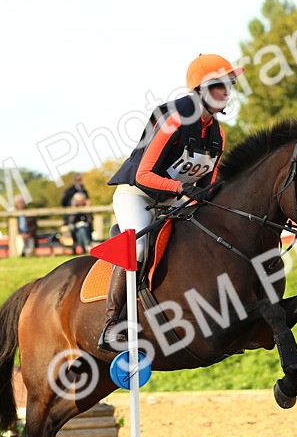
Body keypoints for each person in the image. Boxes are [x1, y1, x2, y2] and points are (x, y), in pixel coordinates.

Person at [98, 53, 242, 350]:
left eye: (229, 85)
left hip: (175, 202)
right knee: (137, 247)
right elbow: (143, 174)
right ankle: (113, 322)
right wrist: (183, 189)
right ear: (200, 90)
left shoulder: (219, 134)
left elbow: (207, 185)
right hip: (137, 194)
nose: (226, 92)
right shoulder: (173, 119)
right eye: (219, 85)